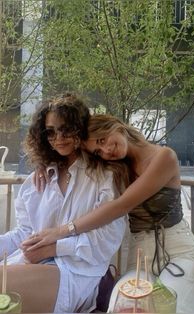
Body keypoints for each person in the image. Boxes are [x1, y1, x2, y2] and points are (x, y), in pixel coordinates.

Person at [23, 114, 194, 313]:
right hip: (140, 255)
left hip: (179, 250)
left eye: (103, 140)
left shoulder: (164, 156)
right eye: (98, 150)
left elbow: (121, 205)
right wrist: (43, 162)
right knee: (121, 307)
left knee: (169, 306)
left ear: (116, 126)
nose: (106, 150)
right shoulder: (115, 166)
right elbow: (69, 154)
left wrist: (61, 231)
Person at [0, 96, 127, 313]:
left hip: (80, 272)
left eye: (66, 129)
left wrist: (55, 247)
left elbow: (107, 239)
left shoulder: (103, 176)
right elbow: (26, 233)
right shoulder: (38, 180)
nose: (59, 138)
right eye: (50, 132)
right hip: (34, 265)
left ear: (80, 128)